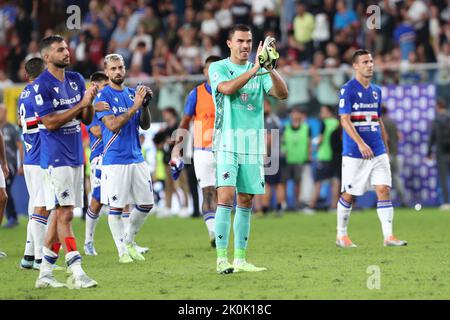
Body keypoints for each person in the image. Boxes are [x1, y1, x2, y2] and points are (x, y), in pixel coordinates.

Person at [209, 24, 288, 274]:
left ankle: (240, 259)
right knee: (226, 197)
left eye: (249, 41)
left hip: (252, 145)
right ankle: (222, 259)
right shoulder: (218, 67)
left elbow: (282, 94)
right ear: (229, 43)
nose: (245, 45)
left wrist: (270, 70)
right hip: (226, 143)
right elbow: (228, 89)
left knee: (246, 200)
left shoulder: (261, 71)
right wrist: (256, 69)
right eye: (240, 41)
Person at [34, 35, 98, 289]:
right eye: (60, 49)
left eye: (67, 48)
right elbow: (49, 122)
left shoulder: (75, 80)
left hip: (75, 155)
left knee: (59, 216)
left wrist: (89, 102)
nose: (66, 52)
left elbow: (85, 117)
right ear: (47, 57)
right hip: (55, 157)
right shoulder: (41, 85)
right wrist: (81, 104)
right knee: (66, 214)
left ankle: (45, 274)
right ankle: (77, 271)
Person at [336, 49, 407, 248]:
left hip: (377, 150)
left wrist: (384, 143)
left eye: (371, 61)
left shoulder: (377, 90)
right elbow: (344, 120)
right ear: (355, 66)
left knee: (384, 189)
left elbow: (378, 118)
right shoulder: (348, 89)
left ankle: (388, 236)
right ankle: (341, 235)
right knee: (350, 194)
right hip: (354, 152)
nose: (370, 65)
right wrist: (360, 143)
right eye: (365, 62)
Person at [94, 53, 154, 263]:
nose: (118, 71)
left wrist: (144, 106)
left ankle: (128, 240)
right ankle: (121, 252)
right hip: (115, 160)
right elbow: (112, 125)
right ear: (106, 71)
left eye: (121, 67)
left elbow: (144, 125)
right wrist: (136, 106)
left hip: (136, 157)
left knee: (147, 204)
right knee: (116, 208)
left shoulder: (131, 94)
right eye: (113, 69)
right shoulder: (103, 97)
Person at [171, 55, 221, 247]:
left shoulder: (228, 92)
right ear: (204, 71)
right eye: (209, 69)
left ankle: (219, 229)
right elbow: (184, 121)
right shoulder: (196, 94)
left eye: (216, 69)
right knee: (208, 192)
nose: (212, 73)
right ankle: (213, 232)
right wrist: (178, 147)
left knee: (223, 194)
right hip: (202, 151)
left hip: (225, 150)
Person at [18, 57, 55, 270]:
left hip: (30, 155)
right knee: (42, 208)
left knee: (35, 206)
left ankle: (28, 256)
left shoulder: (23, 94)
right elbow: (47, 123)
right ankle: (41, 259)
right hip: (41, 156)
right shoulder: (39, 93)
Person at [308, 105, 340, 211]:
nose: (321, 114)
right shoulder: (337, 123)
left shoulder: (324, 123)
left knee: (318, 182)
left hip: (323, 156)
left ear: (329, 112)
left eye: (323, 112)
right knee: (335, 182)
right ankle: (333, 206)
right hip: (335, 157)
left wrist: (315, 148)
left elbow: (320, 139)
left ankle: (312, 206)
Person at [281, 107, 311, 211]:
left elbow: (309, 143)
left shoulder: (306, 128)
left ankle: (297, 204)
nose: (295, 115)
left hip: (300, 159)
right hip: (287, 159)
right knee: (283, 182)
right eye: (293, 113)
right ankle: (283, 204)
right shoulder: (285, 127)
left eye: (297, 113)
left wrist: (308, 156)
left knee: (297, 183)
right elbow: (282, 141)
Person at [0, 104, 23, 228]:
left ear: (5, 113)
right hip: (2, 164)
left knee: (6, 190)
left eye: (2, 111)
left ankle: (13, 217)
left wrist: (21, 164)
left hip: (11, 164)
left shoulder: (11, 128)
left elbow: (20, 146)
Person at [261, 98, 285, 216]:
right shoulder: (276, 119)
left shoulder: (269, 120)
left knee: (268, 183)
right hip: (277, 154)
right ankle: (279, 207)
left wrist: (265, 154)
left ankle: (265, 208)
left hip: (271, 155)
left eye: (264, 105)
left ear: (269, 106)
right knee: (278, 182)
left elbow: (269, 138)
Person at [381, 105, 407, 207]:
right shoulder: (392, 121)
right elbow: (399, 136)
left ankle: (386, 201)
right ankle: (404, 200)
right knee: (396, 177)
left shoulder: (380, 122)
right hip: (394, 153)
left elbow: (384, 137)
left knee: (383, 178)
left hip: (385, 153)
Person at [427, 98, 450, 210]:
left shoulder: (437, 120)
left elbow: (433, 137)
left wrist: (429, 152)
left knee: (444, 178)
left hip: (441, 153)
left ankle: (446, 203)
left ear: (438, 106)